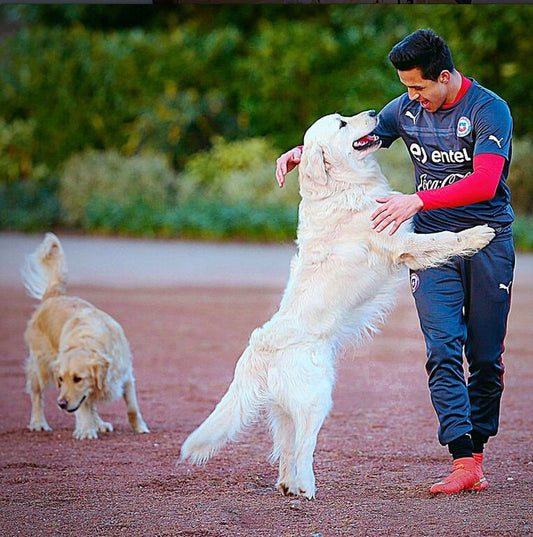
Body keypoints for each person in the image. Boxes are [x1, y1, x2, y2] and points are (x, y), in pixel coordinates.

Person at [275, 28, 515, 495]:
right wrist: (305, 154)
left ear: (445, 77)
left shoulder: (489, 110)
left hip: (488, 240)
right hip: (429, 245)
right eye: (405, 87)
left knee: (484, 357)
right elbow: (355, 140)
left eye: (419, 87)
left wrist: (418, 200)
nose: (410, 98)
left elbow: (486, 183)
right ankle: (462, 460)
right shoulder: (405, 108)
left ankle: (479, 453)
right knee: (443, 347)